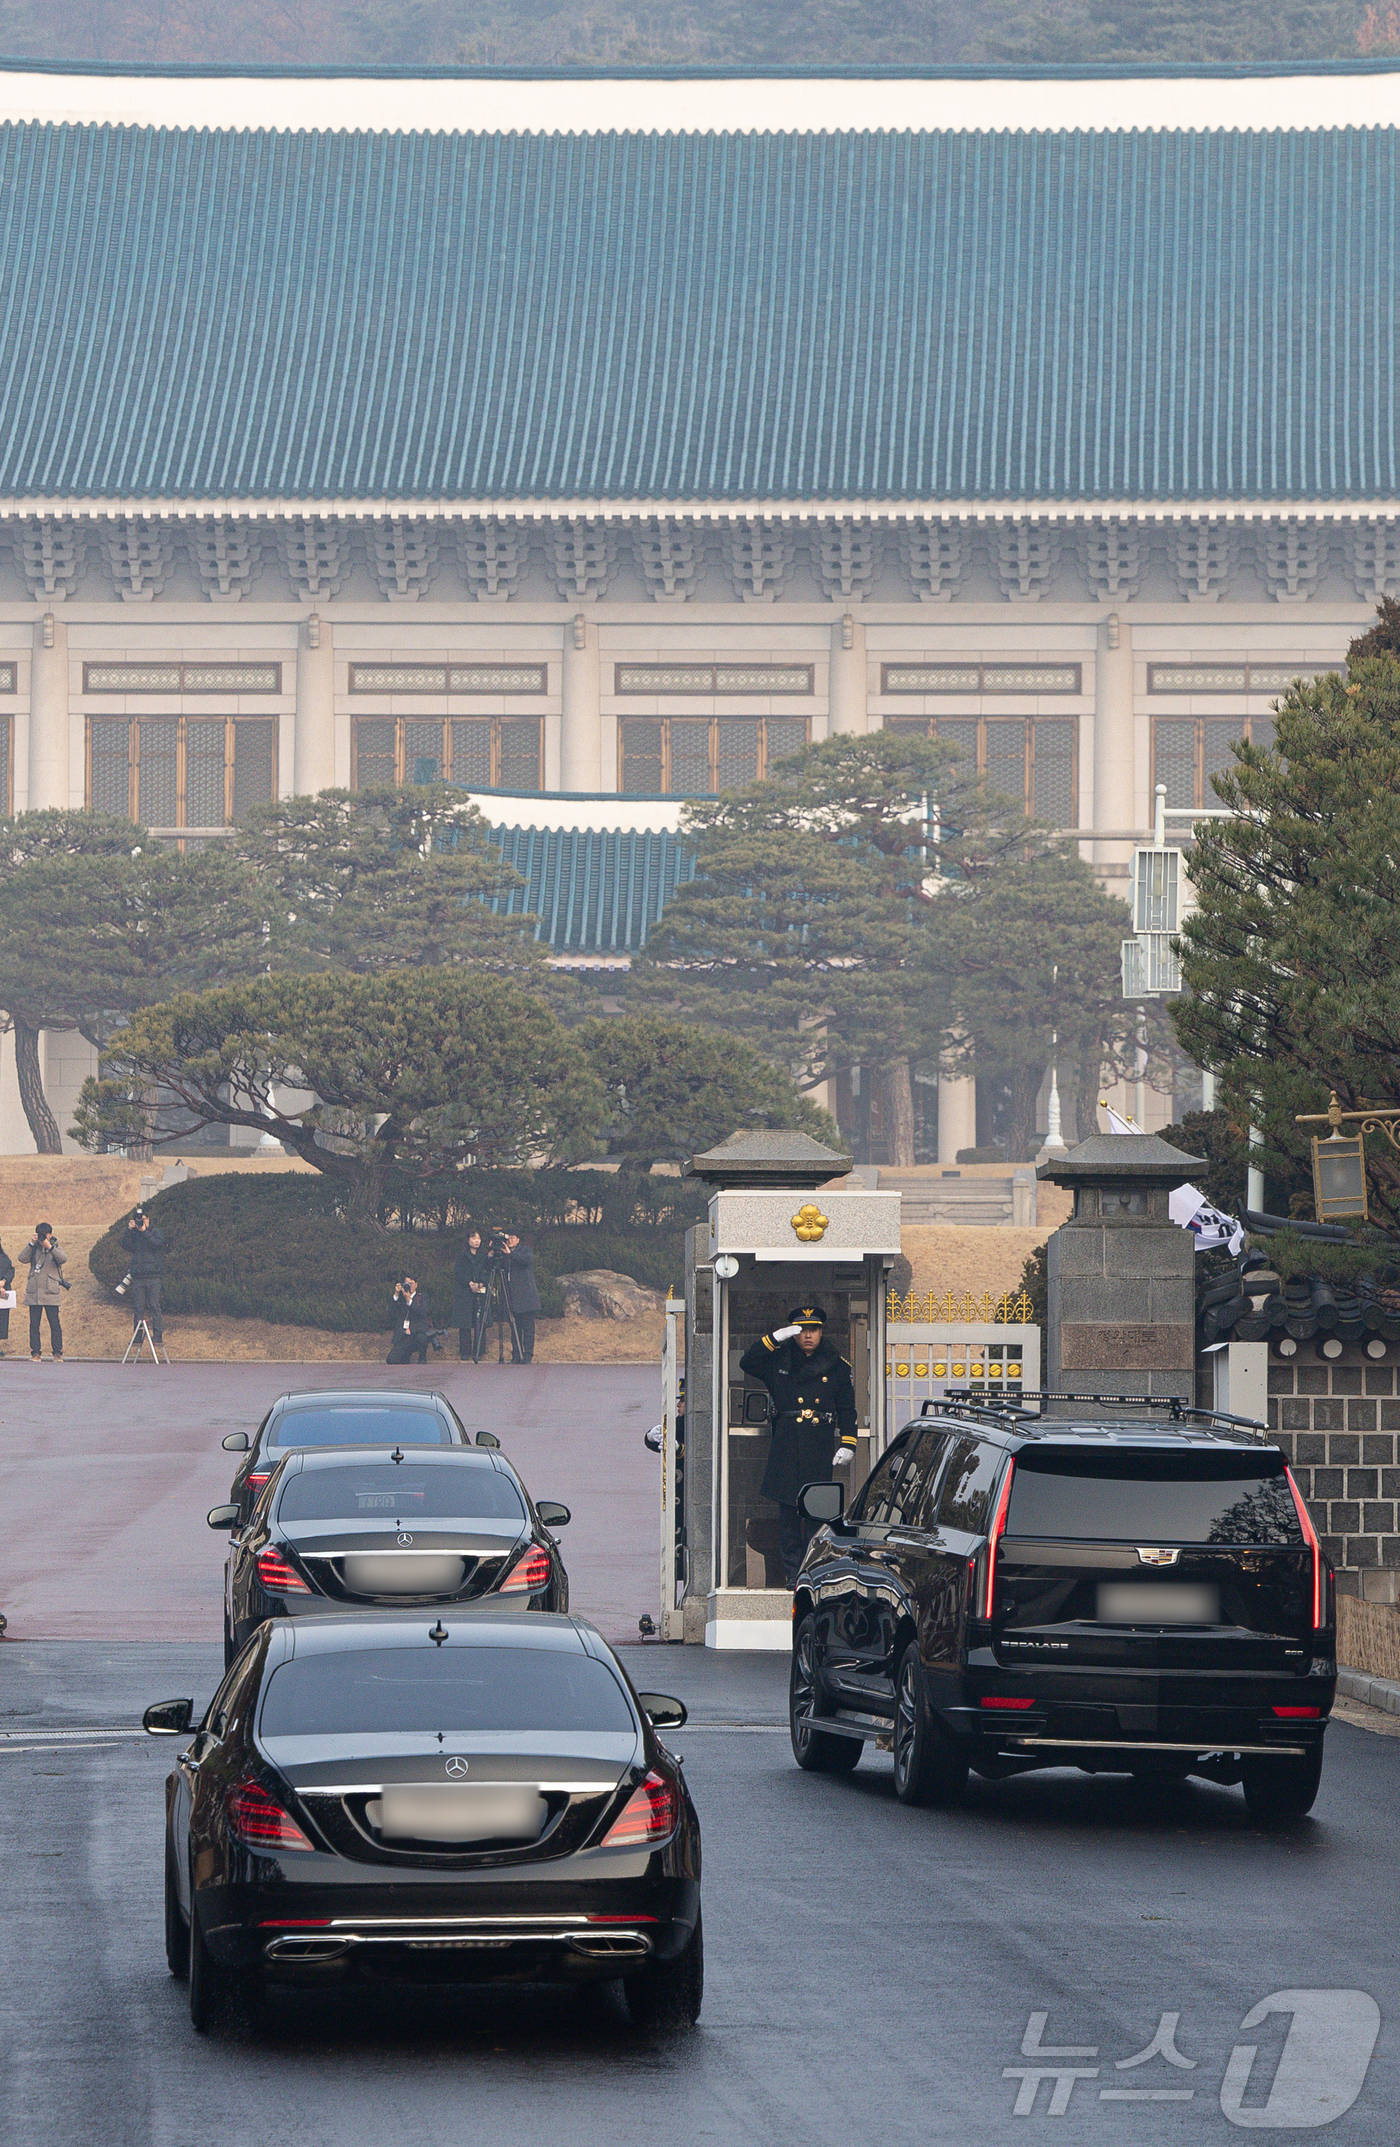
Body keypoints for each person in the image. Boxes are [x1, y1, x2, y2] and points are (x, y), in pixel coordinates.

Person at [740, 1304, 857, 1587]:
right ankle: (793, 1575)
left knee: (817, 1514)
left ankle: (814, 1571)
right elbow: (748, 1362)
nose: (808, 1335)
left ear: (821, 1332)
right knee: (789, 1516)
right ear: (793, 1333)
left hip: (818, 1445)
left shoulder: (837, 1366)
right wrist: (774, 1339)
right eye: (802, 1330)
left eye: (813, 1329)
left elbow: (847, 1409)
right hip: (787, 1444)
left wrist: (848, 1443)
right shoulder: (779, 1360)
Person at [120, 1205, 166, 1350]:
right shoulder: (134, 1234)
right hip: (138, 1277)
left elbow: (156, 1244)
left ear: (148, 1219)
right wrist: (129, 1230)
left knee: (154, 1306)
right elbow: (125, 1245)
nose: (141, 1222)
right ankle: (137, 1337)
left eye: (143, 1219)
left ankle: (157, 1336)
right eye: (138, 1219)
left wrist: (144, 1231)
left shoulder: (156, 1232)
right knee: (138, 1308)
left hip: (153, 1276)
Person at [22, 1222, 68, 1362]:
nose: (42, 1237)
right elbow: (21, 1258)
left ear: (50, 1235)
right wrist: (31, 1244)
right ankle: (35, 1353)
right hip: (34, 1292)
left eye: (45, 1235)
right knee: (34, 1324)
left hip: (50, 1292)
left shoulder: (55, 1247)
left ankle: (57, 1353)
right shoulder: (34, 1249)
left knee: (54, 1324)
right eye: (40, 1234)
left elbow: (63, 1259)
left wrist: (49, 1246)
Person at [451, 1227, 490, 1361]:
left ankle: (479, 1350)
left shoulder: (484, 1256)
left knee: (480, 1322)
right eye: (473, 1238)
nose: (476, 1241)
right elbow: (458, 1273)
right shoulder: (461, 1256)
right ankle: (464, 1351)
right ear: (468, 1240)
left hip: (480, 1291)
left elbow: (488, 1272)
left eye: (478, 1238)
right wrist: (469, 1283)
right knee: (465, 1323)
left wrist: (481, 1283)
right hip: (465, 1292)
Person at [502, 1232, 540, 1365]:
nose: (510, 1241)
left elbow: (526, 1260)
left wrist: (510, 1254)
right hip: (512, 1297)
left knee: (528, 1328)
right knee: (515, 1328)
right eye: (508, 1238)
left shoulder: (525, 1251)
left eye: (512, 1238)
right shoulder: (503, 1254)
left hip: (527, 1296)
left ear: (518, 1240)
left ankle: (528, 1355)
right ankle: (516, 1355)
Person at [386, 1276, 435, 1365]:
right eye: (407, 1284)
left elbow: (422, 1312)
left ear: (416, 1285)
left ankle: (422, 1357)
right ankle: (405, 1357)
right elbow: (391, 1313)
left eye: (411, 1283)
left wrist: (409, 1300)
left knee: (422, 1338)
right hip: (405, 1336)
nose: (409, 1286)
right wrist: (396, 1294)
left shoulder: (422, 1297)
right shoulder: (400, 1299)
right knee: (391, 1360)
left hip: (418, 1333)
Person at [0, 1235, 13, 1356]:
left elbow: (10, 1270)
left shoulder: (4, 1257)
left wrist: (4, 1281)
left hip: (3, 1293)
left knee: (1, 1319)